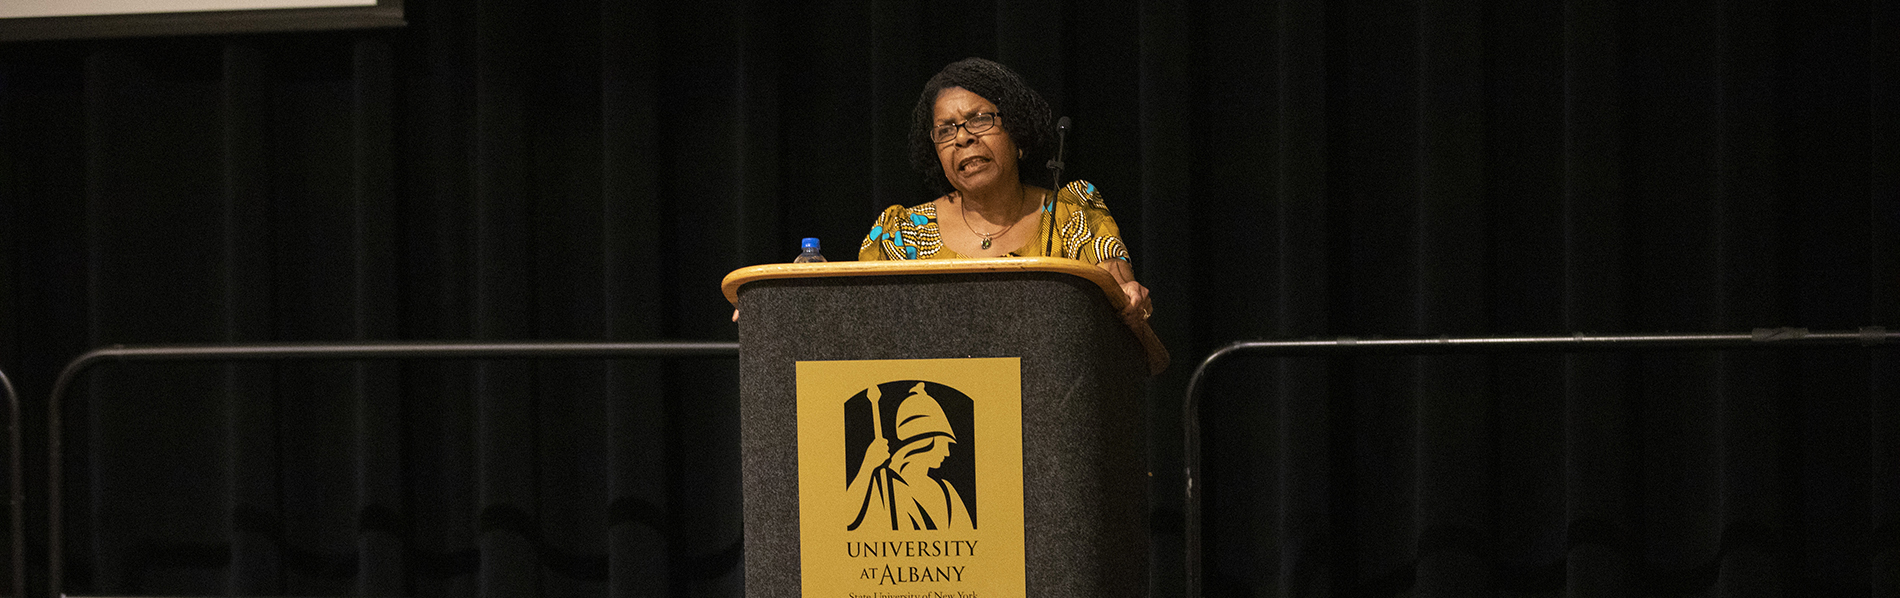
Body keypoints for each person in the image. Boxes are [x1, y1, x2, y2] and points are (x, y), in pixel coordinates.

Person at [858, 57, 1153, 325]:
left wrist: (1130, 297)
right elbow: (863, 326)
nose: (962, 138)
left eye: (979, 119)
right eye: (945, 130)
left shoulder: (1071, 214)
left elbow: (1122, 296)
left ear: (1017, 131)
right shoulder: (902, 233)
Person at [846, 383, 972, 531]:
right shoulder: (881, 483)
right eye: (943, 443)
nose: (947, 453)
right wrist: (868, 466)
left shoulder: (946, 491)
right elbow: (846, 519)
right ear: (925, 441)